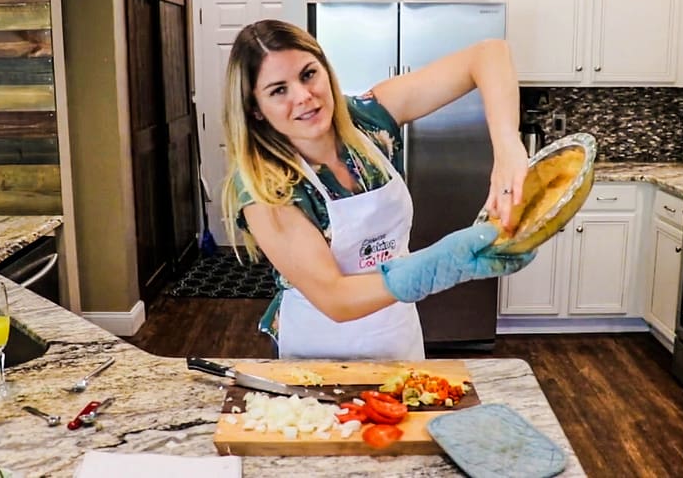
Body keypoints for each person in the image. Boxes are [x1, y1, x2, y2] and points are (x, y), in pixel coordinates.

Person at [220, 19, 533, 360]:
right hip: (318, 353)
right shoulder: (261, 187)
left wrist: (507, 146)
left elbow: (489, 54)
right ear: (256, 110)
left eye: (308, 74)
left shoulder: (368, 119)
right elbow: (335, 299)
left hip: (396, 331)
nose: (304, 97)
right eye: (278, 90)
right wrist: (440, 265)